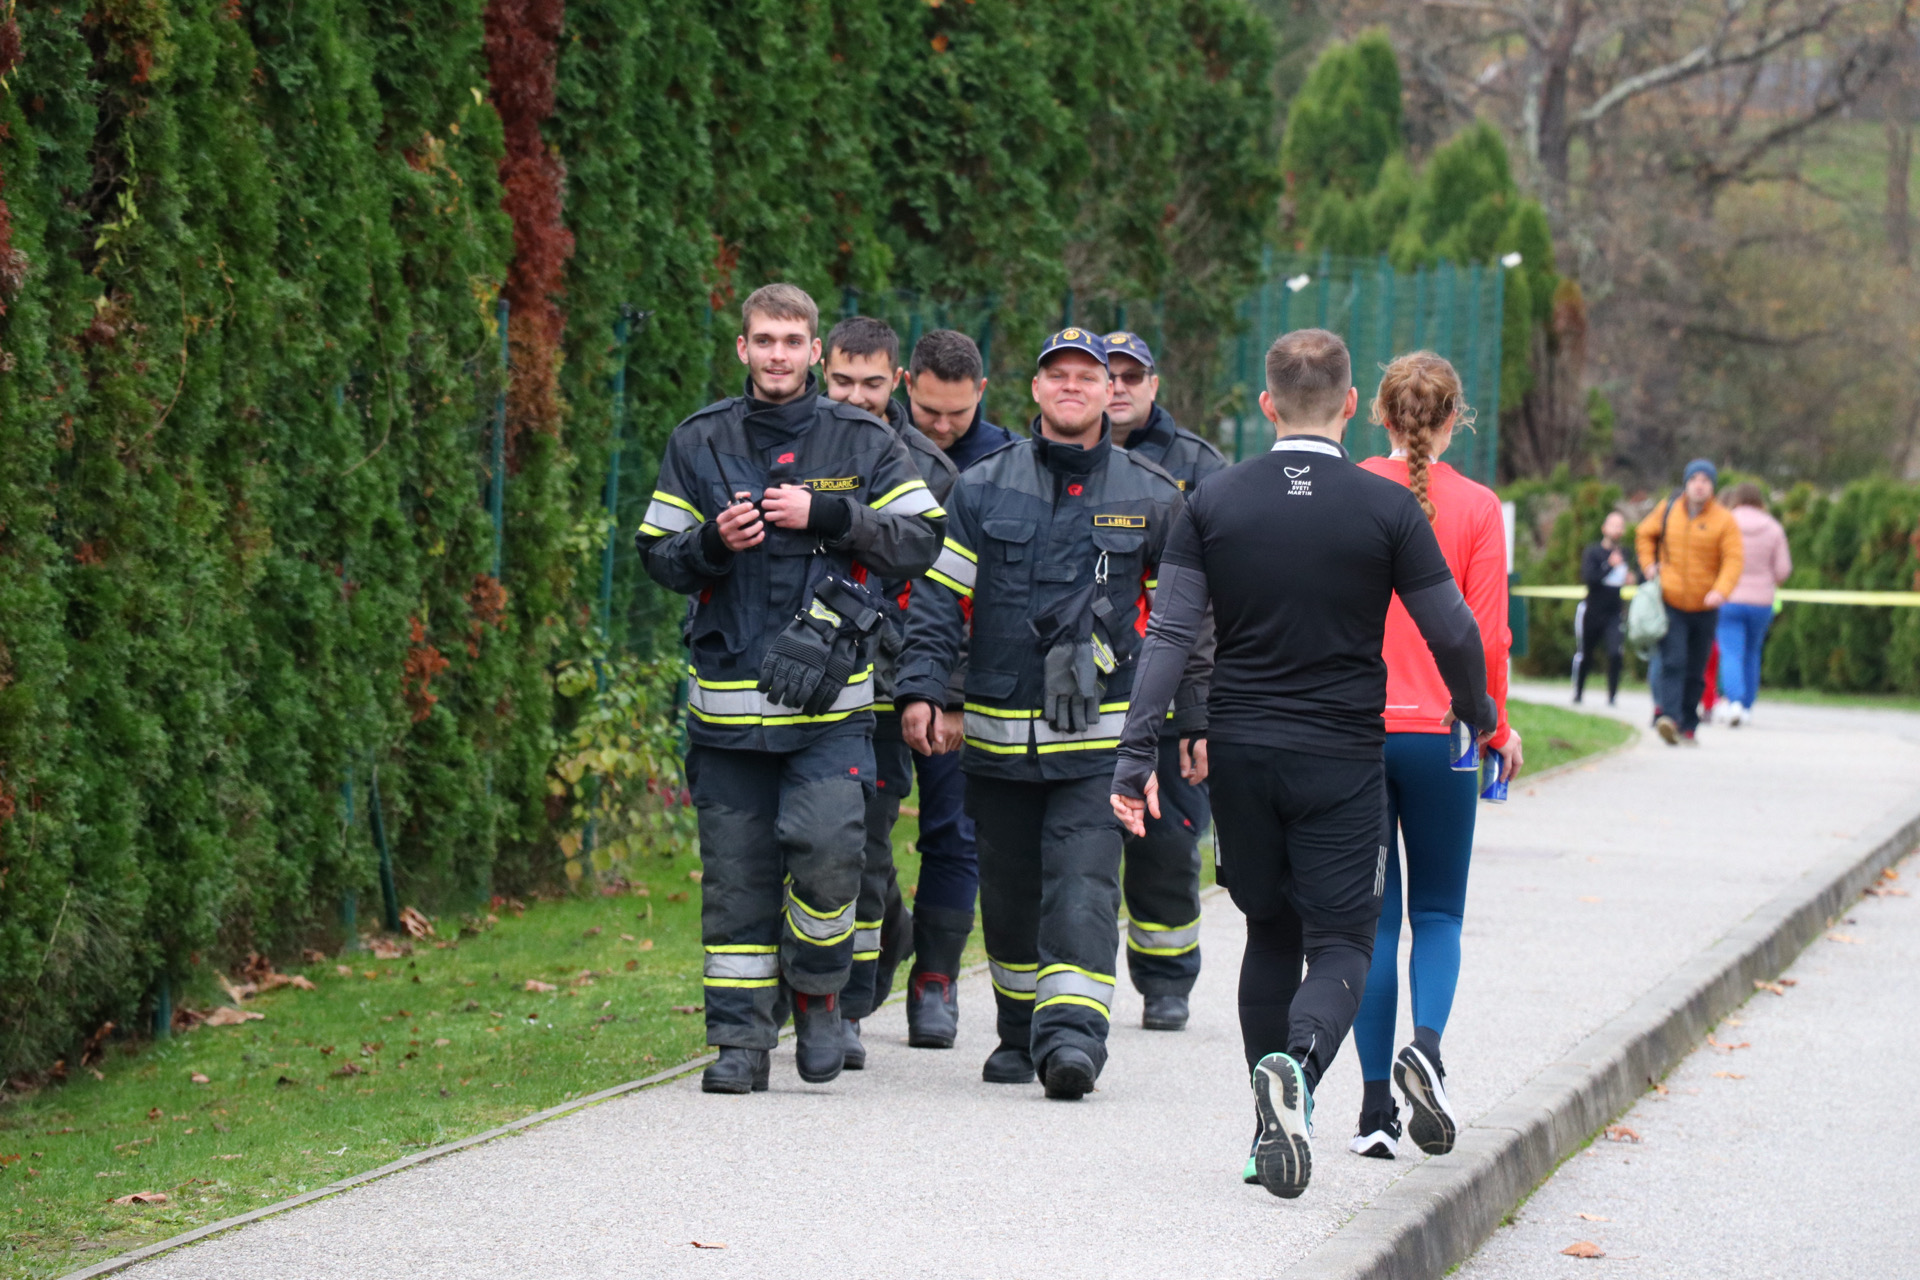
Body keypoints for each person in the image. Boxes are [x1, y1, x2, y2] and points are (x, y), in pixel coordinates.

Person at [1110, 328, 1496, 1199]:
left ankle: (1266, 1131)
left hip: (1242, 753)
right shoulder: (1386, 507)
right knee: (1344, 940)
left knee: (1268, 931)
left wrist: (1135, 755)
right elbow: (1453, 630)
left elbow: (1168, 634)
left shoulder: (1213, 499)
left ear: (1267, 404)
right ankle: (1301, 1072)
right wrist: (1478, 715)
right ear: (1351, 405)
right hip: (1341, 757)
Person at [635, 284, 944, 1093]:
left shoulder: (862, 439)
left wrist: (833, 518)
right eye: (764, 340)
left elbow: (923, 539)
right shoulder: (698, 439)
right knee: (736, 882)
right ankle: (739, 1043)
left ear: (815, 351)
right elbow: (657, 553)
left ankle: (817, 995)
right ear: (743, 348)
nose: (778, 354)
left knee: (831, 856)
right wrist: (710, 542)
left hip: (829, 717)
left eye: (792, 340)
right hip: (726, 720)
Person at [895, 327, 1190, 1100]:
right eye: (1057, 374)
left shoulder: (1153, 495)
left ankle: (1073, 1040)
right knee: (1010, 892)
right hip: (996, 743)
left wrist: (1189, 720)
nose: (1071, 386)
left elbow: (1184, 622)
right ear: (1034, 389)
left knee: (1083, 884)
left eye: (1086, 376)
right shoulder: (981, 487)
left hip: (1098, 747)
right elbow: (939, 600)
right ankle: (1019, 1031)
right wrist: (927, 690)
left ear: (1108, 392)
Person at [1349, 353, 1523, 1162]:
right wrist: (1497, 727)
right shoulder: (1479, 507)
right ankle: (1426, 1048)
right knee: (1440, 914)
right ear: (1456, 420)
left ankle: (1373, 1112)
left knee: (1373, 924)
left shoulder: (1350, 490)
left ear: (1378, 415)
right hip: (1446, 734)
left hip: (1357, 732)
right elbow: (1486, 636)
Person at [819, 316, 960, 1068]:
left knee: (864, 846)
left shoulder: (930, 471)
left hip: (880, 691)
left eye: (871, 383)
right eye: (842, 381)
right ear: (822, 371)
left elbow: (946, 596)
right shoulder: (788, 444)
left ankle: (848, 1000)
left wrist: (932, 688)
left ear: (895, 380)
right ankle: (865, 951)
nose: (856, 397)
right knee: (806, 844)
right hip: (792, 684)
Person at [889, 329, 1018, 1049]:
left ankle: (935, 981)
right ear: (906, 383)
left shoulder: (1006, 466)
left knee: (953, 829)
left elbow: (1001, 596)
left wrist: (958, 694)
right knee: (858, 834)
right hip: (876, 672)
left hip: (962, 683)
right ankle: (885, 941)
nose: (941, 426)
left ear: (983, 394)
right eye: (928, 410)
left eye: (956, 414)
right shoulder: (874, 448)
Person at [1104, 330, 1227, 1032]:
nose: (1118, 387)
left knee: (1169, 844)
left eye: (1132, 376)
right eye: (1109, 375)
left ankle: (1167, 980)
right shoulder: (1061, 458)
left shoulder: (1200, 468)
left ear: (1154, 385)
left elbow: (1215, 602)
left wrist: (1198, 709)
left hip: (1175, 695)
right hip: (1086, 696)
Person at [1636, 460, 1743, 745]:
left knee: (1696, 668)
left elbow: (1733, 559)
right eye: (1694, 479)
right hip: (1671, 601)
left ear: (1712, 486)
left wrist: (1721, 590)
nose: (1699, 485)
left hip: (1706, 605)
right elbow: (1644, 534)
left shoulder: (1724, 520)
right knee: (1673, 661)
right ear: (1686, 483)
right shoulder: (1668, 510)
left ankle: (1688, 724)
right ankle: (1669, 719)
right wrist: (1648, 565)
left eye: (1705, 480)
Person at [1716, 483, 1791, 726]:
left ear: (1736, 499)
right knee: (1752, 652)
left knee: (1730, 652)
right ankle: (1747, 707)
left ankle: (1734, 702)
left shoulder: (1725, 523)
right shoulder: (1773, 528)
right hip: (1761, 601)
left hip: (1728, 598)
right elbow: (1783, 570)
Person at [1574, 511, 1633, 706]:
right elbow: (1590, 578)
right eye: (1613, 525)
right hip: (1593, 611)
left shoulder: (1625, 553)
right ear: (1604, 528)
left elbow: (1630, 576)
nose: (1617, 529)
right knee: (1586, 654)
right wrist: (1609, 565)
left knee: (1615, 653)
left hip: (1614, 613)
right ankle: (1578, 692)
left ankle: (1612, 696)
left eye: (1620, 525)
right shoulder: (1593, 552)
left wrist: (1631, 578)